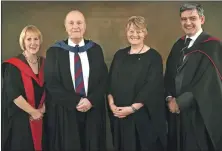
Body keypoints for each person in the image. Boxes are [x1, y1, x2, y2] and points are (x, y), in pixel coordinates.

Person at [44, 10, 108, 151]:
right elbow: (51, 82)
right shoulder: (54, 52)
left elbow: (103, 80)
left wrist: (90, 100)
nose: (75, 26)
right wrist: (75, 101)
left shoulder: (95, 50)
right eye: (71, 23)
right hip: (65, 111)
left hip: (92, 109)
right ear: (66, 27)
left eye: (79, 23)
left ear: (85, 26)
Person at [165, 3, 222, 151]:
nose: (188, 23)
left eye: (192, 18)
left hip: (199, 113)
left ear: (202, 19)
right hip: (176, 114)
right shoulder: (178, 45)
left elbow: (208, 81)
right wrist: (170, 97)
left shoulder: (213, 45)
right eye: (184, 19)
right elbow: (169, 74)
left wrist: (181, 102)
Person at [107, 16, 167, 151]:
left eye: (139, 31)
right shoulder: (119, 55)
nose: (135, 35)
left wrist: (132, 109)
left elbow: (152, 87)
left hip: (143, 118)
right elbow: (110, 83)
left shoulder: (153, 57)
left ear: (145, 33)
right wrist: (112, 105)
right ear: (126, 32)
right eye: (131, 31)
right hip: (119, 116)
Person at [2, 25, 46, 151]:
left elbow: (50, 89)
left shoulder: (44, 63)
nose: (33, 43)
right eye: (29, 39)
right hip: (21, 120)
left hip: (42, 118)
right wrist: (33, 112)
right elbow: (13, 93)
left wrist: (43, 109)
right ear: (23, 42)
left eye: (36, 39)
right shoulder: (13, 66)